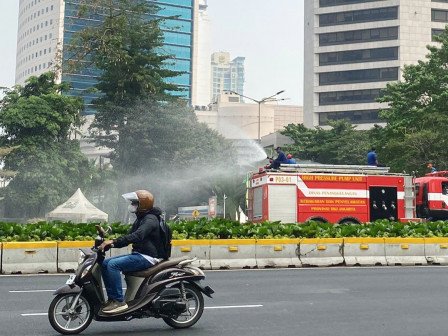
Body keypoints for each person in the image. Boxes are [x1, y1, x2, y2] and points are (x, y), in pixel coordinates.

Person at [98, 190, 164, 314]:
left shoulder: (150, 219)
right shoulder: (141, 218)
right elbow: (128, 238)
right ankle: (112, 299)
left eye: (135, 203)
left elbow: (138, 236)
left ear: (143, 205)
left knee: (113, 265)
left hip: (147, 257)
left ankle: (119, 301)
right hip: (139, 254)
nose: (132, 205)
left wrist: (113, 241)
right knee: (105, 263)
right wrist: (111, 243)